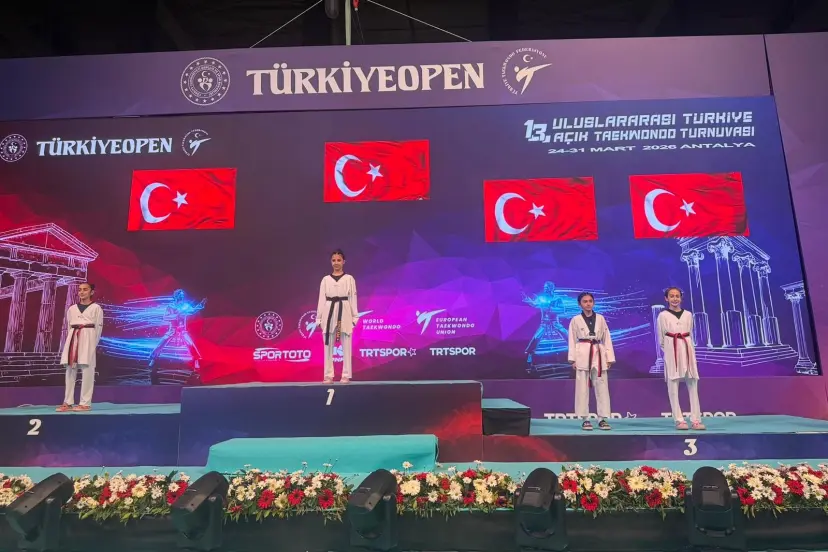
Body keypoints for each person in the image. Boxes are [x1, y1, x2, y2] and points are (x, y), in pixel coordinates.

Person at [657, 287, 706, 431]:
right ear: (666, 298)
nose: (675, 299)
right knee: (673, 384)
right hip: (671, 349)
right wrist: (670, 351)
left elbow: (690, 332)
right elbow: (661, 338)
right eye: (671, 296)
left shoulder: (688, 315)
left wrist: (686, 347)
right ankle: (679, 420)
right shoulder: (663, 316)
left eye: (677, 296)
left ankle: (696, 419)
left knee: (692, 383)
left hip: (687, 349)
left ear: (681, 298)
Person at [568, 292, 615, 430]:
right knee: (582, 388)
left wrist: (609, 357)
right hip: (582, 352)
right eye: (585, 301)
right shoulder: (575, 319)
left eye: (590, 301)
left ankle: (602, 418)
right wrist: (572, 359)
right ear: (579, 304)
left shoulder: (600, 318)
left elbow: (607, 338)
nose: (588, 304)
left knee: (602, 386)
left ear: (593, 303)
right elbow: (571, 339)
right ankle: (585, 419)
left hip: (598, 353)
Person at [57, 282, 104, 412]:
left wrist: (92, 345)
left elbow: (98, 328)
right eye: (80, 290)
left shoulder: (96, 308)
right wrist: (71, 340)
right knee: (70, 369)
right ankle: (68, 402)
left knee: (87, 370)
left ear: (91, 292)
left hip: (88, 338)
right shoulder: (72, 309)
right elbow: (68, 326)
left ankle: (85, 403)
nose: (82, 292)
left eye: (85, 289)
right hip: (73, 338)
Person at [316, 249, 359, 384]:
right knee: (328, 345)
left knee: (346, 344)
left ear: (343, 262)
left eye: (339, 260)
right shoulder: (325, 280)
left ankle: (346, 374)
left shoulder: (349, 279)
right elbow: (321, 299)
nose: (336, 263)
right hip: (329, 311)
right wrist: (319, 318)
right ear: (331, 262)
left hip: (344, 310)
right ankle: (328, 375)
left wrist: (354, 317)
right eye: (334, 260)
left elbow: (353, 298)